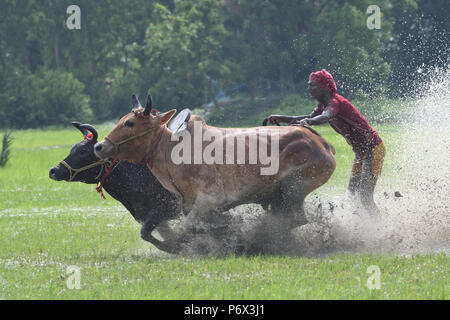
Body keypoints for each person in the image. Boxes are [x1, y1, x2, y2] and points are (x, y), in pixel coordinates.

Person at [268, 69, 385, 215]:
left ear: (324, 87)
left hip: (373, 150)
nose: (309, 88)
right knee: (352, 194)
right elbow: (310, 117)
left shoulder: (335, 102)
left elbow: (325, 116)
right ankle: (359, 226)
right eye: (309, 85)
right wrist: (281, 118)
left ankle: (381, 229)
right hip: (361, 154)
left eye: (313, 85)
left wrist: (309, 121)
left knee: (365, 198)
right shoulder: (323, 105)